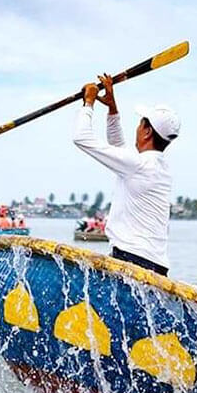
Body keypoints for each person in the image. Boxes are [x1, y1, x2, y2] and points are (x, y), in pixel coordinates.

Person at [73, 73, 179, 276]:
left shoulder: (138, 165)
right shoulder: (157, 166)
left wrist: (88, 103)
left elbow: (81, 138)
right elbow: (118, 147)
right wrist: (112, 108)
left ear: (147, 131)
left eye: (140, 124)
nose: (137, 129)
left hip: (132, 259)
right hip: (156, 264)